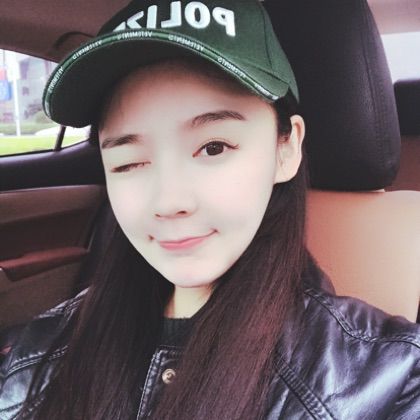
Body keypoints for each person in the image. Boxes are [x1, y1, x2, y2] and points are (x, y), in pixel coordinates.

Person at [0, 0, 419, 419]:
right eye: (129, 163)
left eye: (214, 147)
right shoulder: (34, 356)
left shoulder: (388, 379)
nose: (169, 203)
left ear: (286, 149)